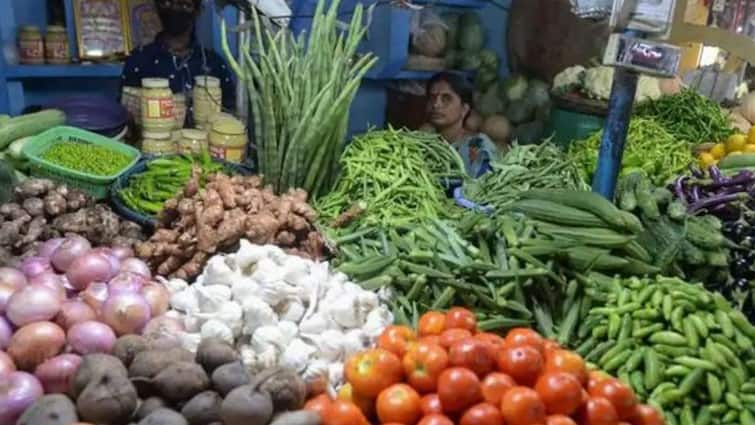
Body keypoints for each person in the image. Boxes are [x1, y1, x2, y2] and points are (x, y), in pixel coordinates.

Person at [121, 0, 236, 124]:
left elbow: (229, 117)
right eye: (167, 3)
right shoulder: (138, 59)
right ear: (156, 7)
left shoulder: (214, 63)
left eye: (185, 5)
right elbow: (125, 119)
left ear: (198, 11)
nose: (175, 9)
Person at [426, 72, 498, 177]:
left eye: (446, 99)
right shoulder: (424, 146)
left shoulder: (478, 145)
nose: (436, 104)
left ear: (464, 109)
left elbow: (485, 185)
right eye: (432, 98)